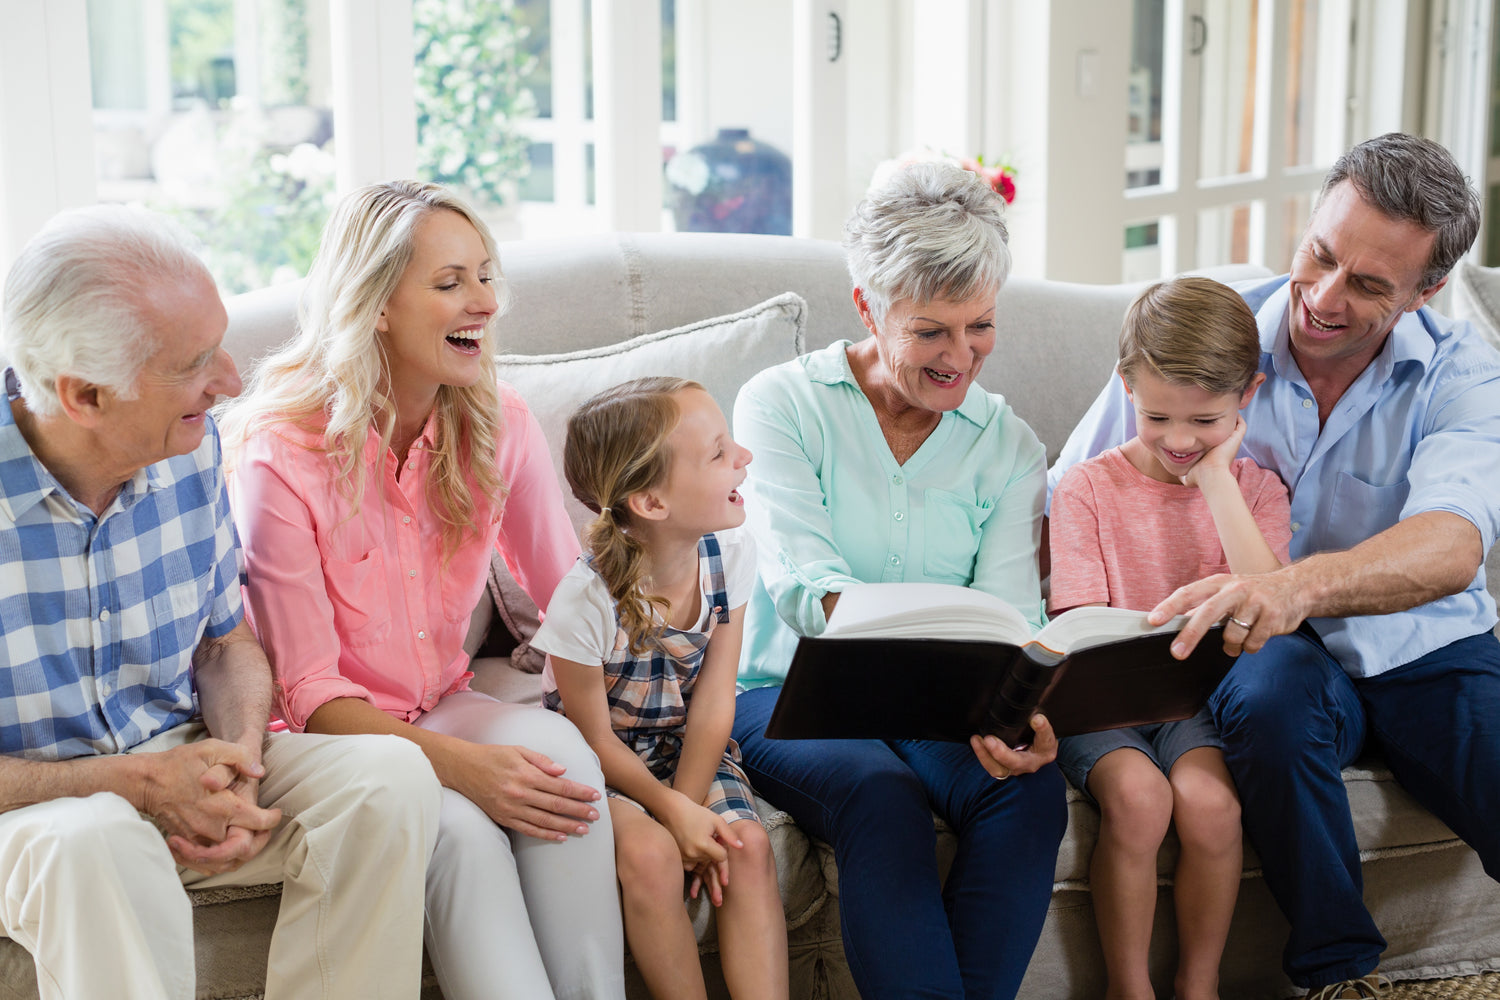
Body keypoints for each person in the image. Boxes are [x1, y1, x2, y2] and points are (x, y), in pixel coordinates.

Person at [1049, 132, 1500, 1000]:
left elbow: (1452, 544)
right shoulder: (1208, 342)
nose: (1324, 298)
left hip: (1421, 646)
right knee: (1267, 693)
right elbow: (1072, 492)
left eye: (1369, 285)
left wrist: (1293, 586)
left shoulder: (1465, 376)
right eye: (1320, 255)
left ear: (1427, 290)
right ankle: (1339, 972)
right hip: (1267, 658)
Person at [0, 205, 442, 1000]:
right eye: (196, 362)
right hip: (32, 813)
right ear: (86, 396)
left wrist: (239, 757)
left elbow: (225, 643)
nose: (232, 381)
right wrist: (134, 784)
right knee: (95, 838)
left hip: (182, 751)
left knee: (387, 778)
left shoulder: (189, 439)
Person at [219, 180, 625, 1000]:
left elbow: (570, 596)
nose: (484, 301)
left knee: (565, 768)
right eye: (449, 284)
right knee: (463, 836)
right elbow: (309, 696)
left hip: (440, 699)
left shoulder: (495, 422)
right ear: (374, 305)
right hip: (330, 743)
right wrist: (469, 771)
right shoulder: (278, 456)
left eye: (484, 275)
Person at [730, 160, 1068, 1000]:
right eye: (931, 332)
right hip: (785, 687)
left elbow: (1009, 615)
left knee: (1027, 794)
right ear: (867, 307)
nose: (962, 358)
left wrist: (1019, 708)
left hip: (936, 703)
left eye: (980, 325)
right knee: (878, 796)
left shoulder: (1009, 445)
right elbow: (806, 590)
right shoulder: (781, 405)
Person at [1049, 277, 1292, 1000]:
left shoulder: (1257, 492)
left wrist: (1217, 482)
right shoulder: (1086, 489)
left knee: (1214, 808)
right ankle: (1131, 988)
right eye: (1158, 417)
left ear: (1247, 394)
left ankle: (1199, 984)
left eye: (1206, 422)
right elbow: (1080, 621)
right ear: (1125, 385)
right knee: (1141, 799)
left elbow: (1268, 599)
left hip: (1192, 704)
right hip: (1099, 703)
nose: (1182, 441)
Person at [535, 377, 788, 1000]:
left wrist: (693, 806)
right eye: (719, 452)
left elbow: (714, 701)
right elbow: (593, 741)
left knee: (747, 846)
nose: (744, 458)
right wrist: (669, 813)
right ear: (651, 502)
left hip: (684, 744)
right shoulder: (582, 600)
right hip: (601, 763)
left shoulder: (732, 553)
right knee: (651, 857)